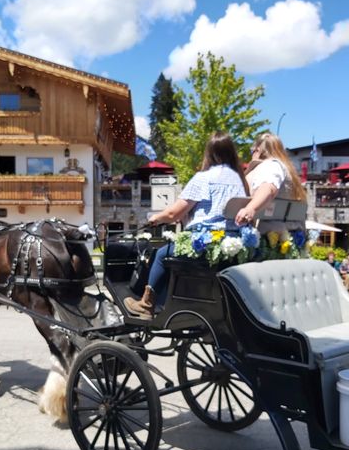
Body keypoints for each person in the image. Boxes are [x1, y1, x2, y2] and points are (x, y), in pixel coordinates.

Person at [124, 132, 248, 319]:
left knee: (160, 255)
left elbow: (174, 213)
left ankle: (146, 305)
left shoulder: (204, 178)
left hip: (205, 241)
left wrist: (156, 218)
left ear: (210, 153)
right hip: (229, 242)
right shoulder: (238, 179)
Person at [233, 131, 307, 232]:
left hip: (273, 236)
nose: (251, 155)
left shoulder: (271, 165)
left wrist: (250, 208)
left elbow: (268, 188)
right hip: (291, 233)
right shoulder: (288, 170)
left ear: (258, 150)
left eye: (252, 151)